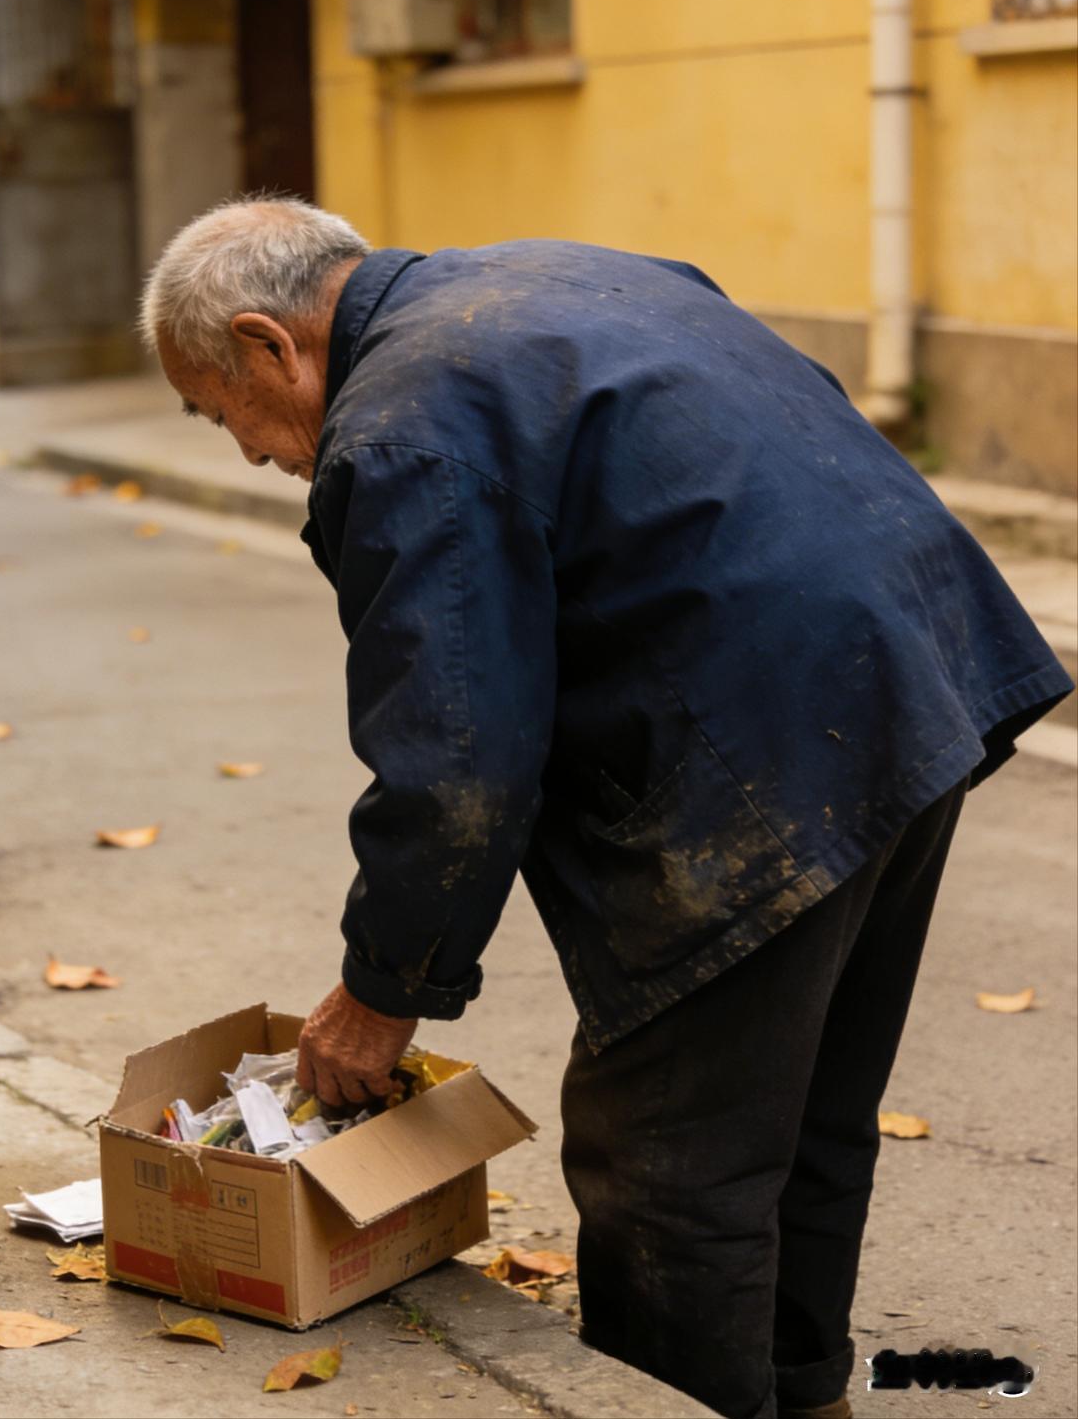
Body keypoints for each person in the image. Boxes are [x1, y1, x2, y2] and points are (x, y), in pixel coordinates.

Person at [141, 195, 1072, 1419]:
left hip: (773, 748)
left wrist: (381, 992)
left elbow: (455, 761)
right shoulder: (563, 273)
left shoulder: (399, 427)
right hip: (913, 681)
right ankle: (799, 1394)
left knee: (666, 1164)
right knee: (803, 1114)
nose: (251, 451)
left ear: (269, 344)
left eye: (222, 414)